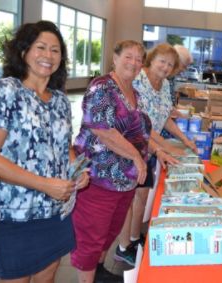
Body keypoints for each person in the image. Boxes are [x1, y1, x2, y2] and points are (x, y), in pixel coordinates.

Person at [0, 20, 89, 282]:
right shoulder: (5, 92)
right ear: (24, 51)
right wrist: (44, 184)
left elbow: (62, 145)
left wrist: (75, 169)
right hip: (16, 212)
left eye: (55, 50)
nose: (48, 55)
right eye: (41, 47)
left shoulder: (59, 99)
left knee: (47, 275)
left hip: (55, 209)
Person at [70, 40, 152, 283]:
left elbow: (142, 131)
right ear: (114, 58)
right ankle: (87, 279)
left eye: (139, 59)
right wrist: (137, 157)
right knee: (91, 236)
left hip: (124, 181)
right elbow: (102, 130)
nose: (134, 63)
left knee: (109, 232)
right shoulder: (102, 87)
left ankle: (99, 271)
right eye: (129, 56)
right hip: (98, 177)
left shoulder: (135, 93)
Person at [114, 43, 197, 267]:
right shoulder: (139, 81)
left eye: (170, 64)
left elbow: (164, 118)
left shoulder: (165, 84)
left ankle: (133, 238)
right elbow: (140, 126)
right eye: (162, 61)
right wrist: (163, 148)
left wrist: (185, 139)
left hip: (149, 149)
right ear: (151, 60)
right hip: (132, 148)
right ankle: (122, 248)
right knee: (128, 199)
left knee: (141, 195)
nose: (165, 67)